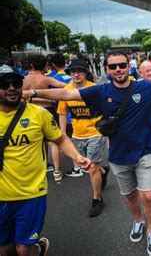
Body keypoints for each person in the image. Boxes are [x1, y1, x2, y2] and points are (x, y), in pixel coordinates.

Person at [22, 51, 151, 255]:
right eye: (113, 66)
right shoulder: (101, 91)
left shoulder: (146, 88)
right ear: (107, 69)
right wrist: (35, 93)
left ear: (128, 67)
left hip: (145, 153)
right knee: (130, 195)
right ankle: (138, 221)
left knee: (149, 196)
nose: (118, 69)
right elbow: (66, 94)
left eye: (122, 65)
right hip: (118, 156)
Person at [0, 64, 91, 256]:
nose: (11, 88)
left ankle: (34, 248)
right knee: (5, 249)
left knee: (23, 249)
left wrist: (77, 157)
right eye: (4, 84)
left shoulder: (38, 114)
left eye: (16, 83)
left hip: (31, 193)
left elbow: (60, 139)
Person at [56, 58, 109, 217]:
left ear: (86, 72)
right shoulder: (66, 91)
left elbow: (106, 110)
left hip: (95, 133)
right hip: (77, 136)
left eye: (80, 71)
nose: (76, 74)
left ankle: (97, 199)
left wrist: (108, 133)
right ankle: (103, 170)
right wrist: (62, 135)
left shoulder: (95, 89)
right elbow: (62, 113)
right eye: (73, 71)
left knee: (91, 167)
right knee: (88, 167)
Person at [22, 55, 67, 182]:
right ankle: (57, 172)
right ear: (46, 65)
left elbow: (20, 95)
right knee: (53, 142)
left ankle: (40, 169)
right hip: (47, 110)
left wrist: (30, 98)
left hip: (28, 111)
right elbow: (65, 86)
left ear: (31, 65)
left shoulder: (23, 80)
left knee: (35, 142)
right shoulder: (47, 79)